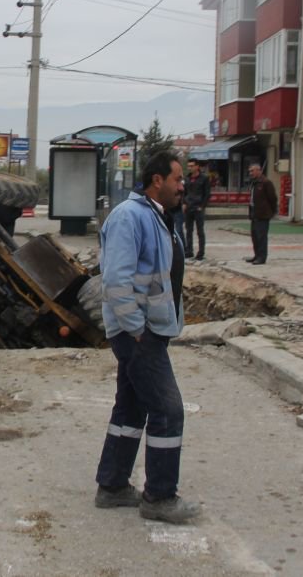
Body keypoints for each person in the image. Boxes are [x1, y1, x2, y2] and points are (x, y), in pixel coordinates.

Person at [93, 150, 201, 524]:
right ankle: (159, 497)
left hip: (149, 328)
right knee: (168, 410)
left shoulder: (158, 217)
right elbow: (115, 280)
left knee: (132, 408)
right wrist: (137, 329)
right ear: (158, 180)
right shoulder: (130, 217)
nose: (182, 185)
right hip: (138, 333)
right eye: (177, 179)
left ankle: (112, 486)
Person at [246, 162, 278, 266]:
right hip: (254, 213)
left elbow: (272, 198)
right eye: (250, 171)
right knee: (254, 236)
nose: (251, 173)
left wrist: (272, 211)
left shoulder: (266, 182)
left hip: (263, 214)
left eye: (252, 171)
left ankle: (262, 257)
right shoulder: (253, 183)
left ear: (259, 170)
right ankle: (256, 255)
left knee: (261, 237)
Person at [183, 159, 211, 260]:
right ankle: (189, 251)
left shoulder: (204, 178)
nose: (190, 168)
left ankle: (201, 252)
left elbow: (207, 194)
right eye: (188, 166)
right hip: (188, 207)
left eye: (192, 166)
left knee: (200, 231)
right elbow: (185, 192)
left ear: (197, 166)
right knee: (188, 230)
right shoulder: (187, 178)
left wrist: (202, 206)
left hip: (198, 207)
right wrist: (184, 203)